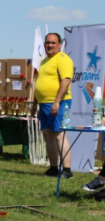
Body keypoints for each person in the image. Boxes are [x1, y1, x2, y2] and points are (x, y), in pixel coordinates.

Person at [31, 33, 74, 179]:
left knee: (59, 135)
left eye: (53, 43)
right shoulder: (44, 61)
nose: (50, 45)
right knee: (48, 135)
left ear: (59, 45)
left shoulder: (62, 59)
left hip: (59, 103)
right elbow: (39, 84)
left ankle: (67, 170)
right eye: (47, 42)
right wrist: (35, 104)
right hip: (43, 104)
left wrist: (57, 102)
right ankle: (53, 168)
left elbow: (66, 81)